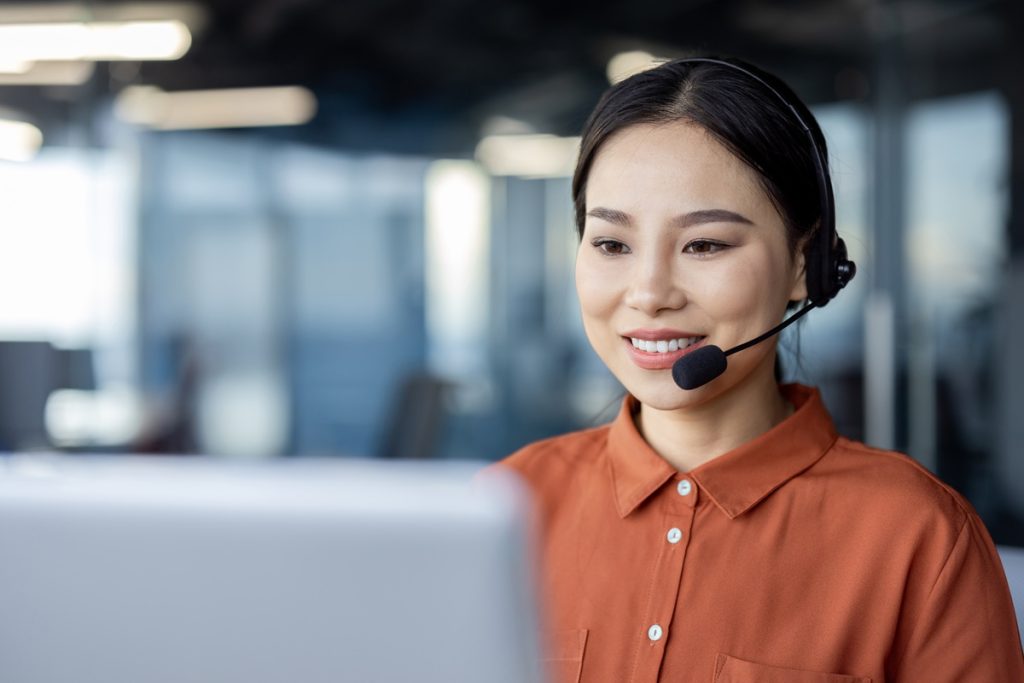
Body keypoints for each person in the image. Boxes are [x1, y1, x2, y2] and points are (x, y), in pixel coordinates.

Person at [492, 56, 1024, 682]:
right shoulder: (506, 506)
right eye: (612, 243)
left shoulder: (919, 539)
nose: (650, 292)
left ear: (808, 266)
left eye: (705, 244)